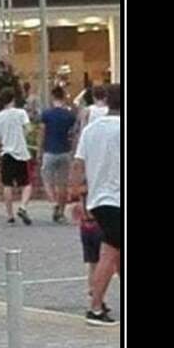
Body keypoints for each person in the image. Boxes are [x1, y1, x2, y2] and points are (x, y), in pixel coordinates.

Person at [70, 83, 121, 326]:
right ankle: (96, 307)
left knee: (115, 252)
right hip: (117, 198)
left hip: (98, 199)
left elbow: (78, 165)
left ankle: (97, 301)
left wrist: (78, 196)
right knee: (110, 253)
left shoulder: (91, 130)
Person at [0, 87, 33, 225]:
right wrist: (21, 136)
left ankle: (10, 215)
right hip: (21, 153)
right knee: (26, 184)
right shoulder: (21, 113)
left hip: (6, 153)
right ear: (13, 99)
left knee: (7, 184)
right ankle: (23, 206)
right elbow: (29, 129)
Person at [38, 86, 78, 223]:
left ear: (52, 97)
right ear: (64, 97)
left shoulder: (46, 114)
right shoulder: (69, 115)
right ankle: (61, 212)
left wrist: (39, 150)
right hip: (65, 151)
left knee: (46, 179)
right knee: (63, 184)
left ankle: (54, 202)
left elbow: (42, 133)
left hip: (49, 150)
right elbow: (73, 134)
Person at [72, 195, 109, 313]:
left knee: (93, 264)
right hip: (98, 225)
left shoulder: (82, 195)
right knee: (103, 263)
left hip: (85, 226)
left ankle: (93, 294)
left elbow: (75, 215)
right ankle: (98, 297)